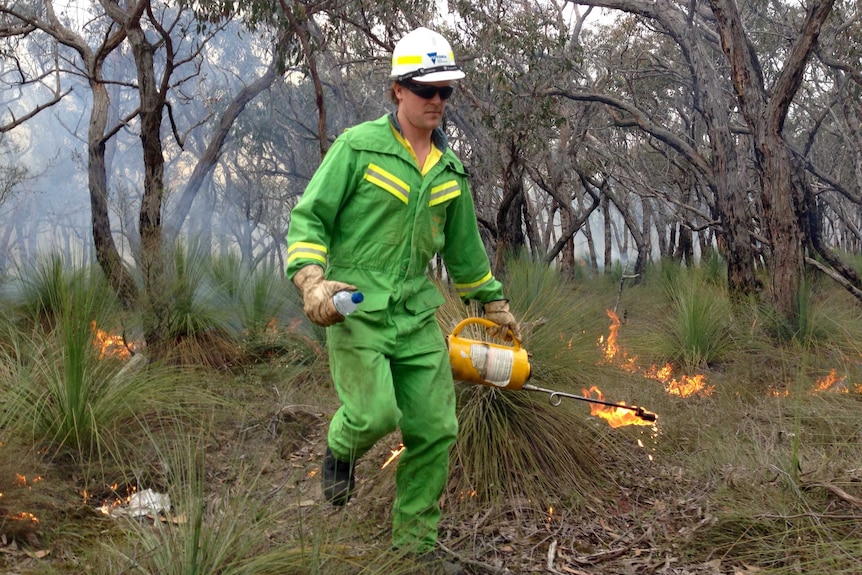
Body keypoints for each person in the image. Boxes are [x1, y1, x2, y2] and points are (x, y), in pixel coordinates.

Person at [285, 26, 521, 573]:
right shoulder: (357, 147)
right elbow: (310, 218)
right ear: (397, 89)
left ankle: (414, 547)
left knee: (435, 429)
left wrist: (492, 303)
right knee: (373, 414)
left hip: (416, 311)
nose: (437, 101)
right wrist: (311, 281)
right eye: (425, 89)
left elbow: (465, 253)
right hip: (356, 305)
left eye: (446, 91)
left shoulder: (450, 171)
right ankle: (341, 445)